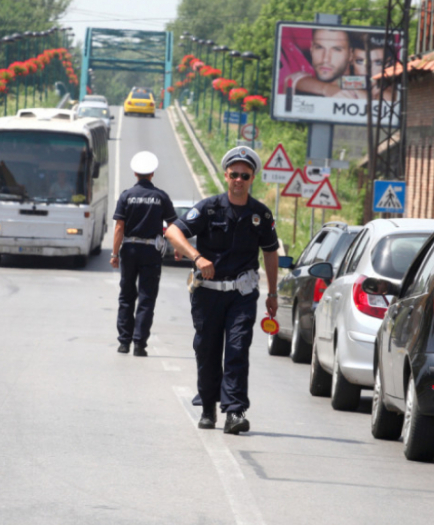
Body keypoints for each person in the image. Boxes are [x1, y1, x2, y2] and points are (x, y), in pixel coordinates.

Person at [165, 146, 279, 435]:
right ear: (226, 175)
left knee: (238, 349)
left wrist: (273, 293)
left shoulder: (260, 215)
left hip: (242, 294)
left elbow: (270, 252)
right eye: (234, 174)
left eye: (245, 175)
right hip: (208, 294)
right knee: (208, 349)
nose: (239, 180)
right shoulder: (208, 208)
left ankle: (234, 411)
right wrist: (196, 256)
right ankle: (207, 407)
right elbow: (172, 232)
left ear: (253, 178)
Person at [111, 151, 178, 357]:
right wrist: (178, 249)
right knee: (147, 298)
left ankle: (124, 343)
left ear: (135, 173)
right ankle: (140, 344)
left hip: (130, 250)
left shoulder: (126, 196)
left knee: (126, 297)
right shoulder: (161, 197)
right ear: (152, 174)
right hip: (151, 252)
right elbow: (173, 226)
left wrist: (115, 254)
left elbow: (119, 228)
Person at [289, 29, 359, 99]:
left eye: (336, 49)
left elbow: (365, 82)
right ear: (311, 48)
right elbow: (293, 79)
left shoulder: (358, 84)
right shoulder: (303, 82)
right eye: (319, 47)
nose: (325, 59)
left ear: (350, 54)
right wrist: (327, 89)